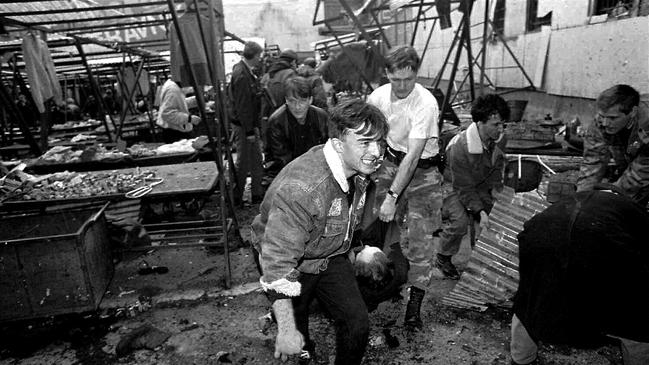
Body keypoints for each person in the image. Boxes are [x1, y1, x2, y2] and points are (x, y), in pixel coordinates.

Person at [251, 99, 388, 365]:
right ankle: (303, 350)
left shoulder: (357, 166)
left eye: (380, 142)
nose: (377, 151)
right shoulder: (304, 189)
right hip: (289, 256)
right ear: (338, 144)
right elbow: (278, 262)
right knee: (296, 321)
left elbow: (342, 214)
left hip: (327, 251)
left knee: (356, 323)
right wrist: (287, 329)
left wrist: (359, 249)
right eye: (365, 142)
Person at [510, 188, 649, 365]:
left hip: (541, 239)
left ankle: (522, 358)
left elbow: (528, 229)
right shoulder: (630, 208)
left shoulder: (570, 199)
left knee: (530, 302)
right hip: (600, 245)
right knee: (635, 318)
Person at [365, 45, 444, 330]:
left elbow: (413, 158)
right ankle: (388, 281)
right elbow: (369, 136)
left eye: (408, 80)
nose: (401, 86)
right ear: (386, 73)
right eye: (395, 79)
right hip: (390, 161)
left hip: (423, 169)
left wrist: (393, 196)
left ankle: (415, 303)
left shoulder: (426, 103)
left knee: (421, 238)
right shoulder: (377, 98)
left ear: (416, 75)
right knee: (382, 227)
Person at [436, 94, 509, 279]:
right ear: (480, 123)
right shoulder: (460, 146)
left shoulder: (499, 139)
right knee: (460, 222)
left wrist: (498, 195)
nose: (501, 129)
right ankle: (443, 257)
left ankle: (484, 258)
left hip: (480, 184)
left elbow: (496, 168)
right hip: (453, 185)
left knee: (497, 218)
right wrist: (480, 211)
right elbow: (463, 187)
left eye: (503, 124)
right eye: (496, 125)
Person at [576, 84, 649, 206]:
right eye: (602, 116)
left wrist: (609, 199)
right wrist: (580, 200)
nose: (605, 123)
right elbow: (593, 162)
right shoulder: (600, 122)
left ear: (632, 112)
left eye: (612, 118)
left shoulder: (647, 125)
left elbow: (640, 174)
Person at [267, 76, 328, 170]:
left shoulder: (321, 116)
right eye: (292, 101)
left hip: (318, 169)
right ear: (286, 100)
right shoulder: (276, 121)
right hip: (284, 171)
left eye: (302, 101)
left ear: (310, 100)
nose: (297, 107)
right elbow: (282, 159)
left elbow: (328, 148)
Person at [229, 41, 265, 205]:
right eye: (260, 55)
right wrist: (250, 131)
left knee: (256, 160)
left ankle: (256, 194)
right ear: (256, 55)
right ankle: (237, 196)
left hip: (247, 125)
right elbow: (243, 106)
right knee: (243, 163)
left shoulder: (244, 71)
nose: (260, 59)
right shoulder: (242, 75)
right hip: (244, 127)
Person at [156, 78, 201, 143]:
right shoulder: (172, 90)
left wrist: (194, 101)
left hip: (174, 131)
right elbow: (167, 114)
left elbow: (178, 104)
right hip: (175, 134)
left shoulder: (173, 85)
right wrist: (189, 119)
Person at [261, 49, 298, 116]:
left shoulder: (267, 75)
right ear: (293, 62)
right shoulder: (290, 74)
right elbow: (295, 97)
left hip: (270, 115)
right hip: (286, 115)